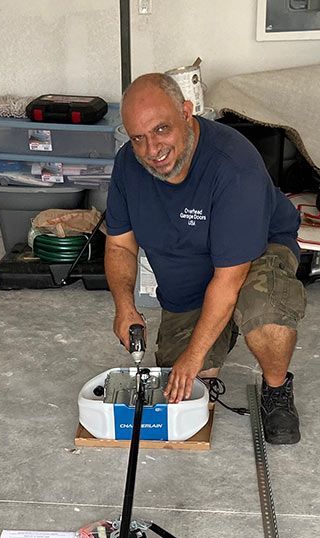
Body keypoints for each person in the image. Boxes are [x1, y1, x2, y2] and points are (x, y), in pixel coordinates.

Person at [105, 73, 307, 444]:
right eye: (138, 138)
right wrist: (125, 307)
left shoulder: (234, 167)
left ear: (186, 112)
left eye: (161, 129)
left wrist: (194, 356)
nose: (152, 149)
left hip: (254, 255)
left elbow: (229, 280)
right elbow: (120, 246)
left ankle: (277, 388)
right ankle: (216, 337)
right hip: (189, 270)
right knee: (184, 391)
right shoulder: (128, 167)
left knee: (263, 314)